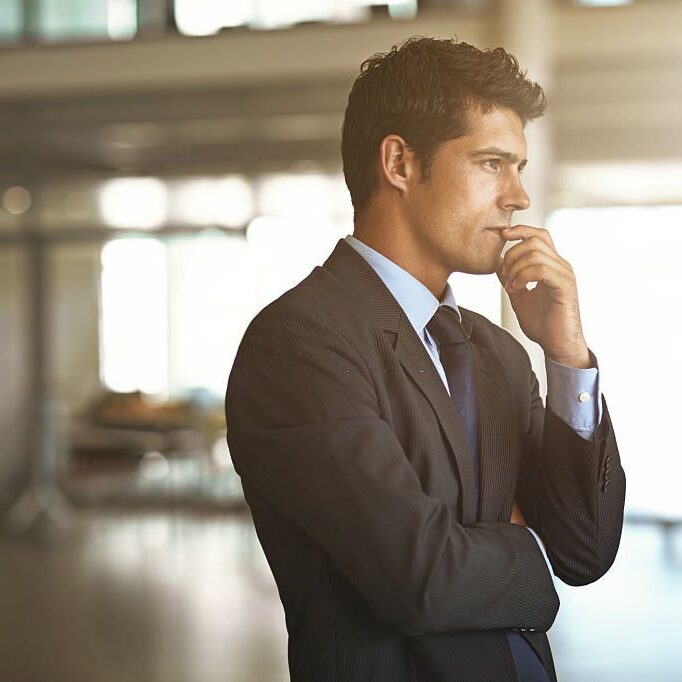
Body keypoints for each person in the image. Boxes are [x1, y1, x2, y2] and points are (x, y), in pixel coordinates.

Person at [225, 37, 626, 682]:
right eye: (493, 163)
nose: (518, 196)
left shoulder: (498, 352)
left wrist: (566, 356)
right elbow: (422, 578)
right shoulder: (298, 343)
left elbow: (582, 550)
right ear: (400, 163)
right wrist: (528, 545)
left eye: (519, 167)